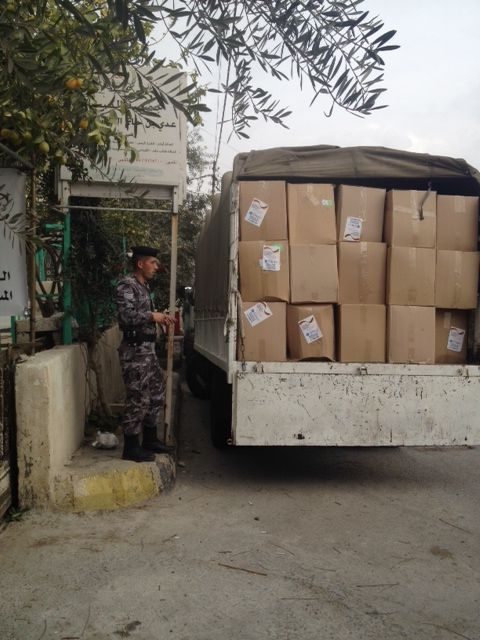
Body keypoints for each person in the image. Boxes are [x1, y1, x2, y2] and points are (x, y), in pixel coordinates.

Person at [116, 246, 175, 462]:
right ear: (140, 264)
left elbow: (145, 315)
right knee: (137, 397)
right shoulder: (126, 285)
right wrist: (153, 316)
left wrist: (161, 319)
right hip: (134, 352)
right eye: (153, 263)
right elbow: (127, 316)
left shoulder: (144, 286)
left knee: (157, 393)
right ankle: (131, 447)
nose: (156, 267)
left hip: (147, 351)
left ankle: (150, 439)